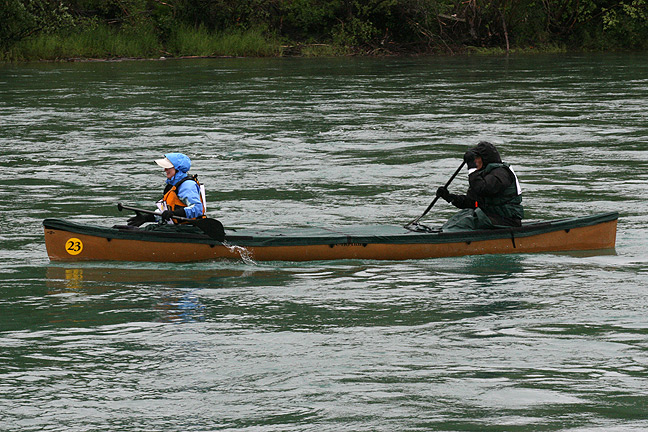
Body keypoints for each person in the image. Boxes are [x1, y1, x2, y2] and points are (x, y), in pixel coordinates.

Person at [435, 141, 523, 231]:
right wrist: (450, 197)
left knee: (466, 222)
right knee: (461, 216)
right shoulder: (482, 176)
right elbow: (472, 203)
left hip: (507, 220)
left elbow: (483, 189)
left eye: (476, 158)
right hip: (490, 216)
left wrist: (472, 169)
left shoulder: (501, 173)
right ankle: (442, 232)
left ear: (485, 159)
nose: (475, 161)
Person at [127, 153, 206, 227]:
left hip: (190, 228)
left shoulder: (187, 185)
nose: (165, 169)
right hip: (177, 227)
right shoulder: (174, 185)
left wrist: (174, 213)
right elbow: (166, 212)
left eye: (168, 167)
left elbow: (197, 209)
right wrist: (146, 218)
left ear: (177, 169)